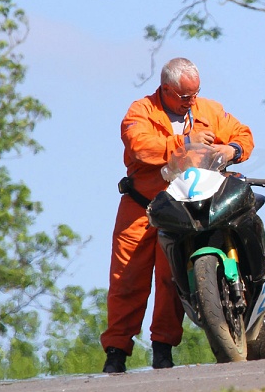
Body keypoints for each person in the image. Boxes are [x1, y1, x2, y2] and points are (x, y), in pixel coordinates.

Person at [101, 57, 254, 372]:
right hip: (141, 205)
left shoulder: (209, 110)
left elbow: (242, 134)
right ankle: (116, 352)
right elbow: (140, 147)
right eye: (185, 96)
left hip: (186, 206)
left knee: (173, 279)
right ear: (166, 89)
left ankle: (163, 349)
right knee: (126, 280)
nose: (191, 101)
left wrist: (233, 150)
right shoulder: (140, 111)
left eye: (195, 94)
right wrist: (185, 142)